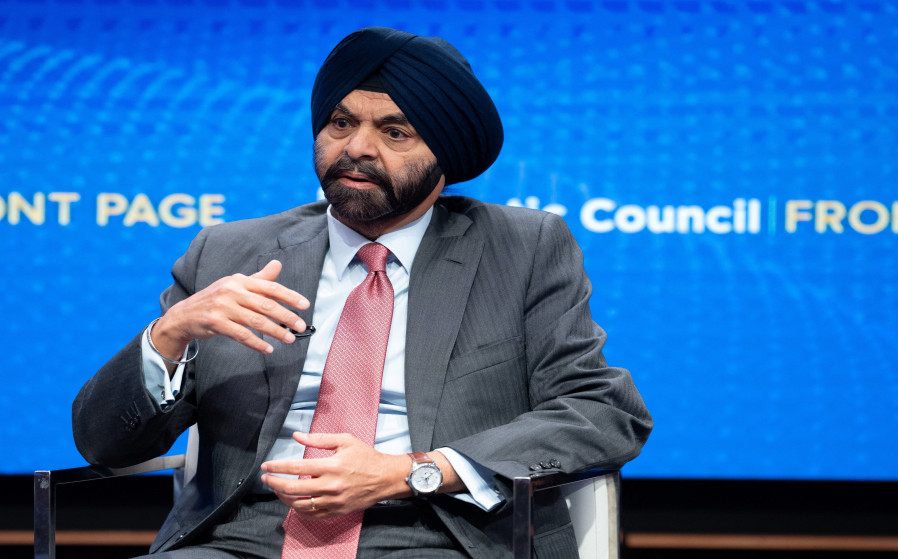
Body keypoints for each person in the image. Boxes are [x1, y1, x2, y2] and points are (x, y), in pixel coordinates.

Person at [72, 26, 652, 559]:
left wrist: (413, 471)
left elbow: (601, 410)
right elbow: (103, 444)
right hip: (241, 539)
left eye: (394, 132)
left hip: (439, 533)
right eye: (340, 124)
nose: (357, 148)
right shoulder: (228, 252)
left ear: (445, 157)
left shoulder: (521, 248)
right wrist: (169, 335)